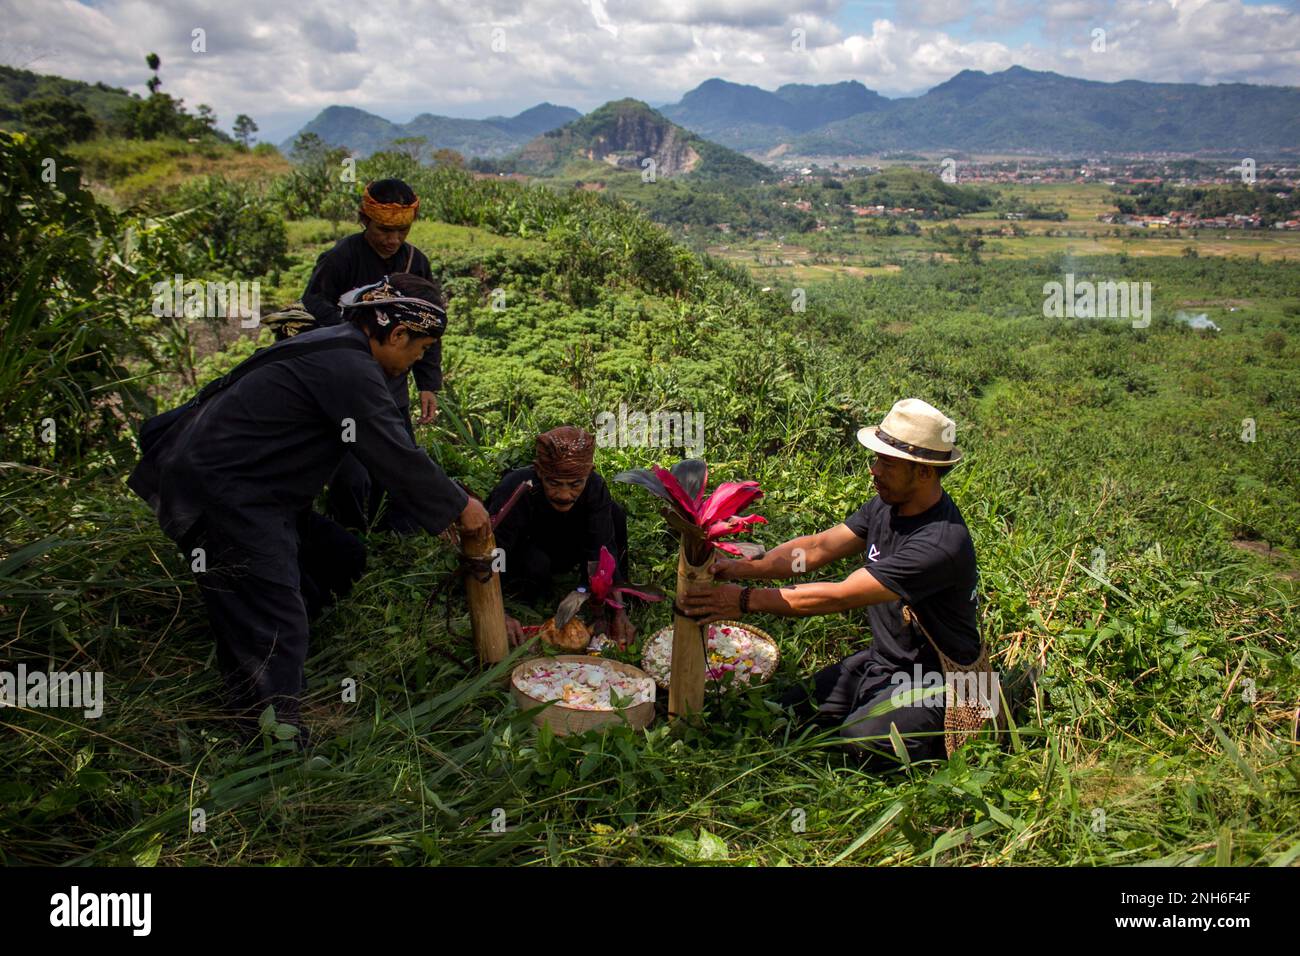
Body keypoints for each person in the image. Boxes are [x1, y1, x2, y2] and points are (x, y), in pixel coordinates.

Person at [128, 274, 489, 745]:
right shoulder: (349, 368)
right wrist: (461, 507)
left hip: (262, 490)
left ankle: (250, 626)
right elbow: (393, 452)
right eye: (419, 349)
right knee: (277, 621)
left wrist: (442, 504)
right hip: (225, 495)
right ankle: (271, 739)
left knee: (339, 557)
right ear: (397, 334)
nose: (418, 360)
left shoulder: (339, 346)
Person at [681, 398, 981, 767]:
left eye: (886, 462)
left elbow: (838, 597)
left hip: (937, 680)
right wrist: (745, 568)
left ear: (924, 473)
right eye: (876, 459)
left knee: (859, 742)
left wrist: (742, 600)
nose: (874, 470)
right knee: (792, 709)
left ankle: (942, 743)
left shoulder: (939, 544)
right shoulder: (888, 505)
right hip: (884, 662)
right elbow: (816, 549)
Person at [302, 178, 441, 532]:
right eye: (384, 230)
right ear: (365, 220)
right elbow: (314, 299)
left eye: (402, 231)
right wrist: (355, 332)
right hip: (349, 379)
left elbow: (429, 327)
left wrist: (428, 383)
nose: (392, 240)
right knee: (350, 465)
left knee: (397, 458)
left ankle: (394, 536)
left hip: (392, 382)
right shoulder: (343, 256)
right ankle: (348, 531)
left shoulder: (415, 262)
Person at [487, 426, 634, 646]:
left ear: (588, 473)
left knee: (616, 514)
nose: (564, 495)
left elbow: (602, 548)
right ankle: (526, 593)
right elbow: (493, 553)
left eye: (575, 485)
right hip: (530, 550)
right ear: (539, 472)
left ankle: (616, 596)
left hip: (571, 545)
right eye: (554, 483)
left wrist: (614, 608)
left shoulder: (594, 487)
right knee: (536, 565)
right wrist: (498, 613)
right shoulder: (516, 488)